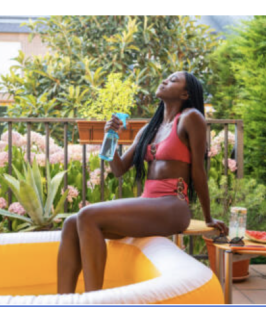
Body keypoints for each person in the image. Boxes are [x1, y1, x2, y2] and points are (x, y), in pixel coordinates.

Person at [57, 71, 229, 294]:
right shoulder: (150, 129)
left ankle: (94, 299)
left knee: (87, 215)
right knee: (71, 223)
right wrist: (110, 137)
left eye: (173, 80)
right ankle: (62, 300)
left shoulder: (191, 117)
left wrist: (208, 217)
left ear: (185, 93)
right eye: (166, 77)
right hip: (150, 202)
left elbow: (198, 170)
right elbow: (118, 170)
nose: (165, 80)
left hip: (172, 205)